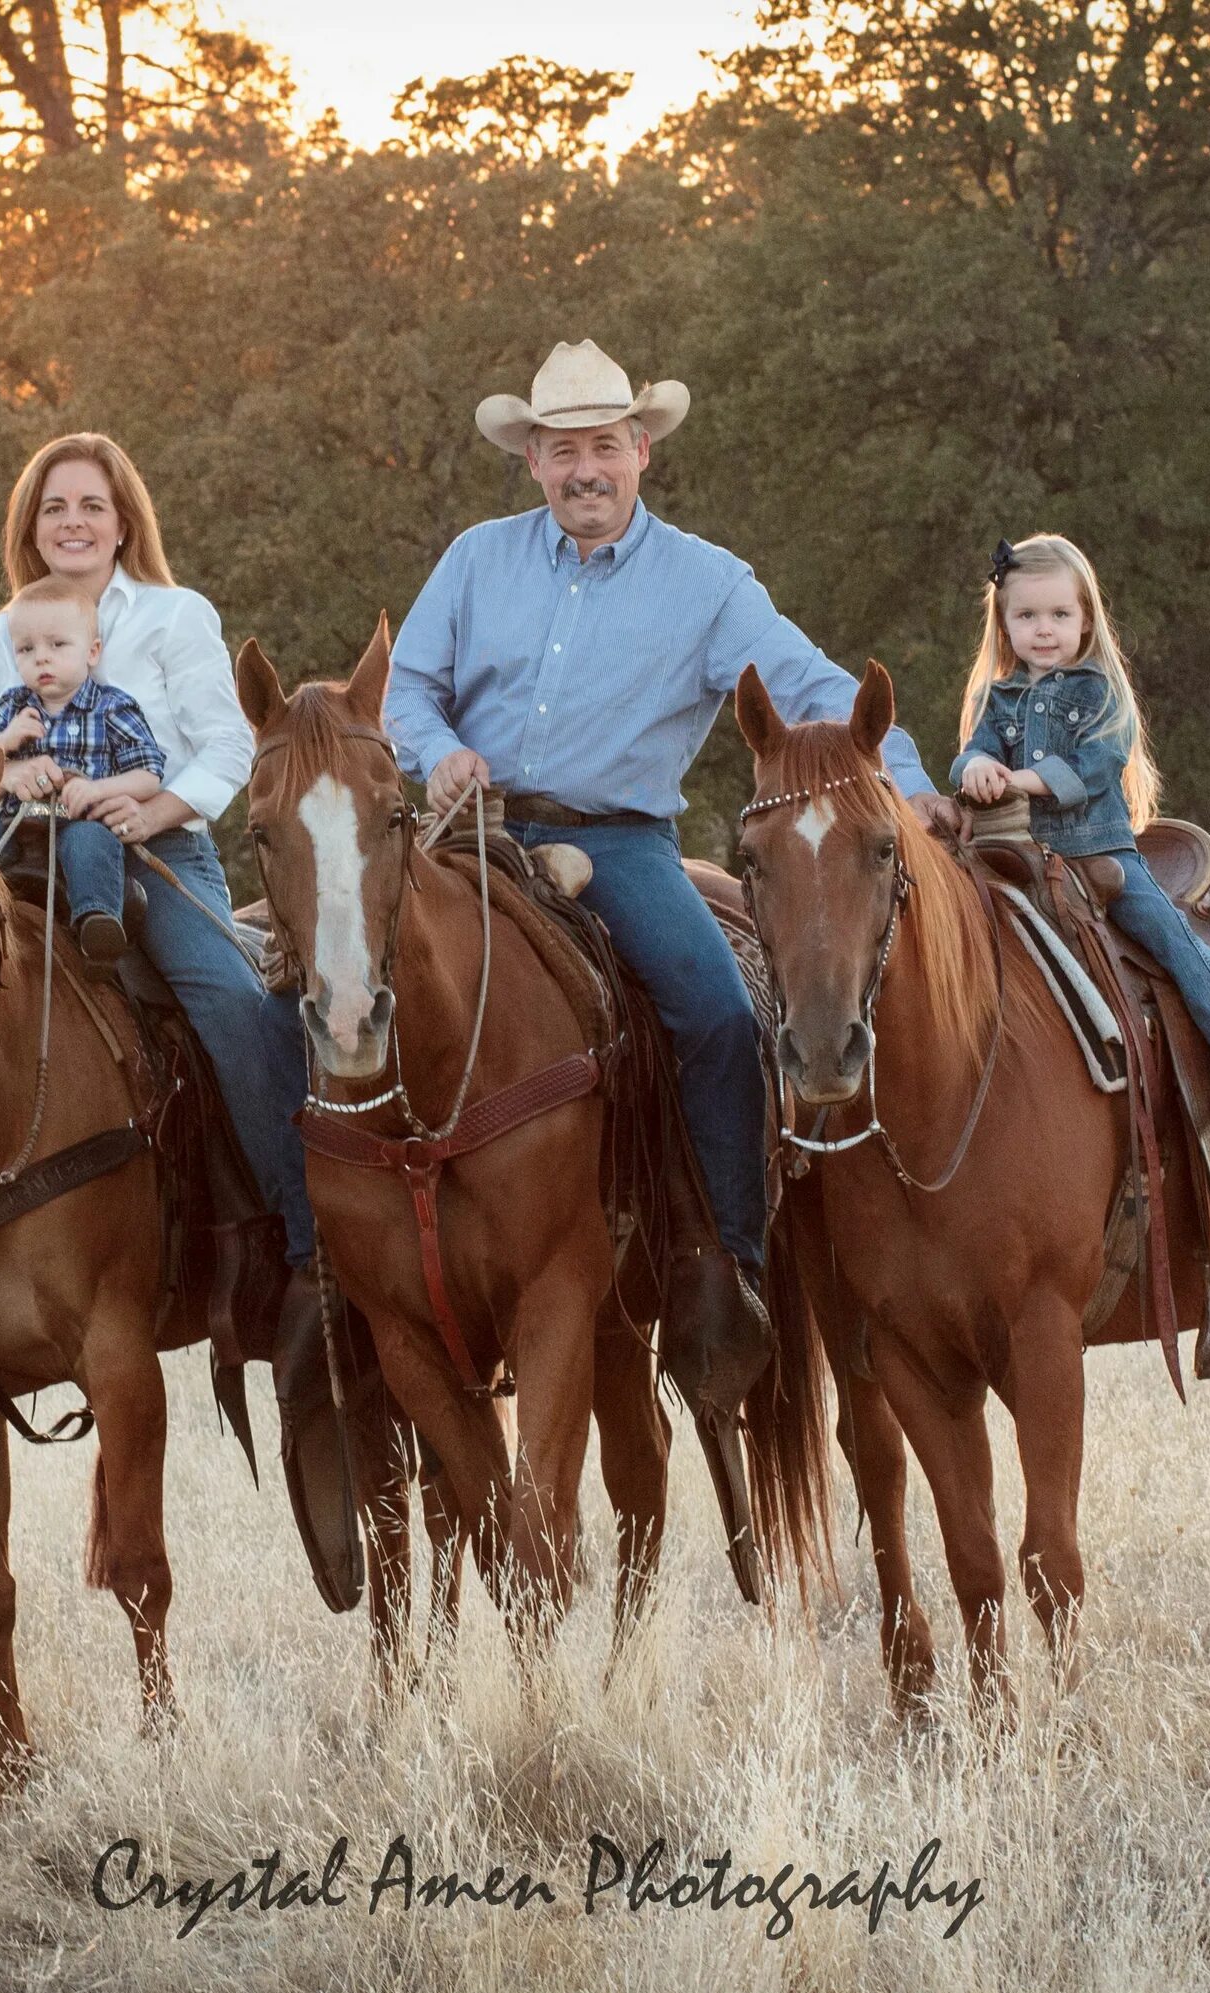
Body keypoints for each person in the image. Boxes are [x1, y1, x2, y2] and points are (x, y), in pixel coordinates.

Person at [0, 432, 358, 1608]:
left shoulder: (177, 617)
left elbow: (230, 742)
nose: (74, 520)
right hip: (20, 858)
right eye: (54, 505)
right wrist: (6, 779)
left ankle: (301, 1242)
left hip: (155, 850)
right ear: (30, 523)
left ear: (126, 519)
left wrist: (152, 794)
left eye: (94, 504)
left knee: (232, 1003)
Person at [387, 339, 961, 1395]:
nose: (584, 470)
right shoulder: (476, 559)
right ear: (533, 463)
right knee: (340, 982)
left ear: (642, 449)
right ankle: (333, 1262)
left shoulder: (707, 584)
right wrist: (439, 752)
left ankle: (724, 1261)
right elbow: (407, 690)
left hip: (616, 842)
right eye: (562, 452)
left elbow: (818, 688)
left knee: (718, 1013)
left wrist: (911, 781)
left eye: (604, 446)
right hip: (470, 837)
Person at [952, 533, 1210, 1123]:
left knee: (1167, 934)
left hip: (1097, 850)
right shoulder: (994, 699)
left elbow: (1095, 768)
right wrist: (974, 766)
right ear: (1004, 626)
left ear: (1086, 620)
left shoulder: (1101, 693)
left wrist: (1018, 781)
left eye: (1059, 614)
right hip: (1013, 854)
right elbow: (971, 753)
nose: (1043, 629)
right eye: (1026, 615)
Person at [0, 574, 168, 964]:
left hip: (79, 824)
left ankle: (97, 924)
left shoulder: (113, 708)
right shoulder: (12, 707)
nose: (41, 658)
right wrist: (5, 741)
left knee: (89, 844)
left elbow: (148, 774)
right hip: (20, 830)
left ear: (92, 651)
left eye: (57, 645)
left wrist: (100, 790)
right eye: (26, 649)